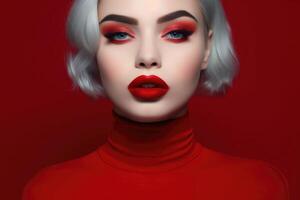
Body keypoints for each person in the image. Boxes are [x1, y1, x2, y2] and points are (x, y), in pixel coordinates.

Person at [22, 0, 290, 199]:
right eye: (119, 34)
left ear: (207, 49)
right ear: (93, 48)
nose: (148, 56)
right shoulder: (49, 192)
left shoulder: (260, 188)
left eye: (176, 33)